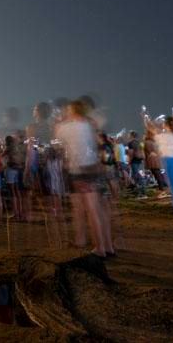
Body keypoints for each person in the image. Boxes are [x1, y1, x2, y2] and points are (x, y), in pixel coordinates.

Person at [56, 100, 114, 258]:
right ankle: (108, 246)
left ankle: (100, 248)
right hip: (95, 168)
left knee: (91, 210)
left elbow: (58, 138)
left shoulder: (68, 127)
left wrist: (60, 121)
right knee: (101, 210)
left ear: (73, 111)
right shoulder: (90, 124)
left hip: (81, 170)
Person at [2, 135, 24, 220]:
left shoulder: (8, 149)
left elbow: (1, 155)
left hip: (10, 170)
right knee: (17, 191)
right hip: (17, 170)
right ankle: (20, 212)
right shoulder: (16, 148)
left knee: (12, 193)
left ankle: (16, 213)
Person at [127, 132, 147, 199]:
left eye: (129, 135)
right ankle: (142, 192)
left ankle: (141, 194)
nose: (128, 136)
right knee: (138, 175)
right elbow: (143, 152)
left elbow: (131, 153)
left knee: (137, 177)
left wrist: (129, 161)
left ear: (131, 136)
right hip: (139, 160)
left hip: (134, 160)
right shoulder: (139, 142)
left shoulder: (130, 143)